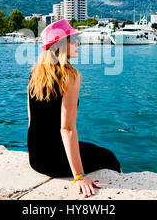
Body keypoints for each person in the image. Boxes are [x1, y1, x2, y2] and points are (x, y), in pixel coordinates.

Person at [27, 19, 121, 197]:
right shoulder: (70, 76)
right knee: (109, 157)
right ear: (62, 44)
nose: (79, 43)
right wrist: (79, 176)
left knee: (89, 149)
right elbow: (67, 128)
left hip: (35, 157)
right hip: (53, 160)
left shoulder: (36, 72)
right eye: (73, 39)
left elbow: (32, 118)